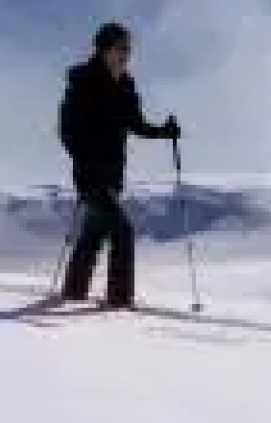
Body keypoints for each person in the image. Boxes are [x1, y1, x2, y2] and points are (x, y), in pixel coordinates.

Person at [55, 22, 179, 307]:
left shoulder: (125, 85)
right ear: (104, 49)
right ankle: (119, 300)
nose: (126, 55)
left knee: (94, 233)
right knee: (122, 230)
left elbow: (135, 123)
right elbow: (67, 129)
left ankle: (74, 292)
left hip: (112, 173)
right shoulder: (84, 81)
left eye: (128, 49)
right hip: (90, 173)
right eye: (121, 48)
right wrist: (85, 158)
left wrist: (164, 131)